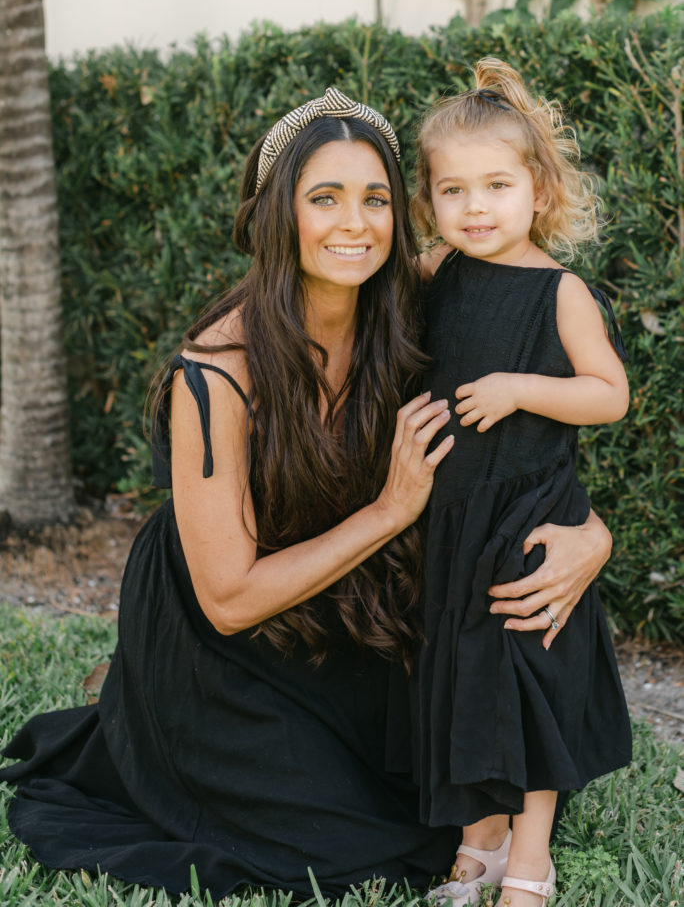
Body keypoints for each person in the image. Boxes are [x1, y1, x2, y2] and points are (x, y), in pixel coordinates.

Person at [1, 87, 615, 900]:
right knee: (342, 844)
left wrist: (592, 535)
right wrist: (392, 510)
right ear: (275, 215)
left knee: (443, 798)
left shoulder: (417, 309)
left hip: (351, 612)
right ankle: (146, 708)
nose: (353, 224)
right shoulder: (217, 373)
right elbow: (228, 599)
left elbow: (519, 447)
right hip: (228, 639)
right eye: (324, 198)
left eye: (375, 199)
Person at [408, 60, 632, 907]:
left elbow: (607, 393)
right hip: (455, 519)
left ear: (537, 191)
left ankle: (529, 861)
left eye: (496, 186)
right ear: (430, 201)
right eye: (453, 190)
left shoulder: (559, 291)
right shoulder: (437, 274)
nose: (475, 207)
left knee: (528, 683)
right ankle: (480, 840)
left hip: (531, 517)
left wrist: (519, 389)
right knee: (464, 681)